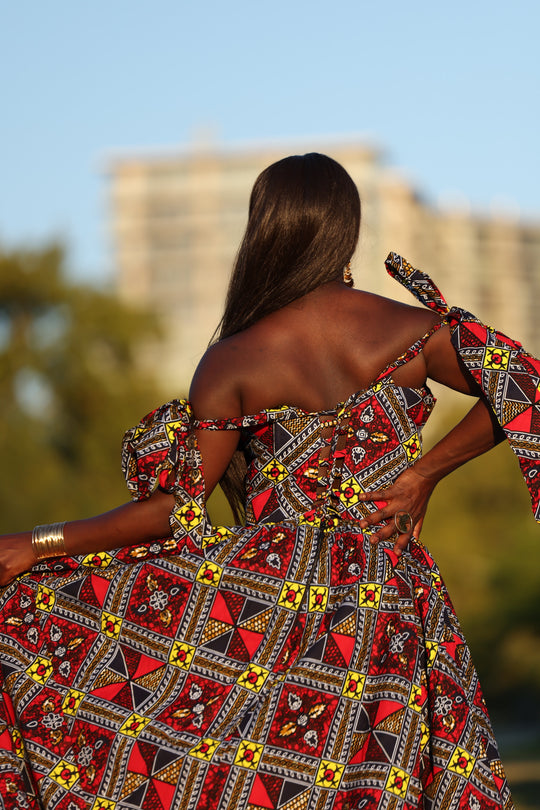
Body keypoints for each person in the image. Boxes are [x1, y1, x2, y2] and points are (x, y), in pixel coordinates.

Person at [2, 152, 533, 809]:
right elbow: (522, 386)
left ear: (263, 229)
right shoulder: (412, 330)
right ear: (347, 229)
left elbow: (174, 511)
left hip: (266, 611)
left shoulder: (232, 361)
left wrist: (38, 544)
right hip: (387, 589)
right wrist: (423, 476)